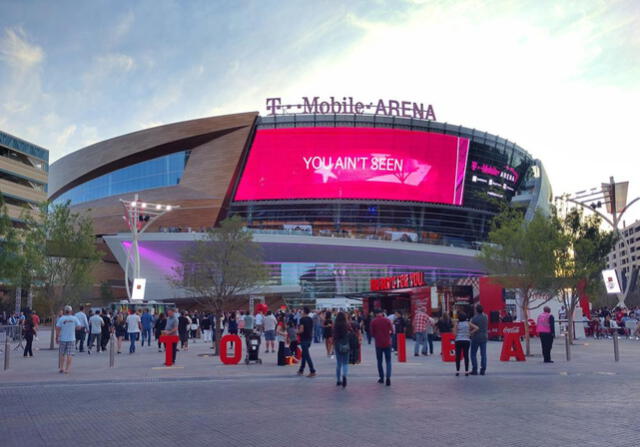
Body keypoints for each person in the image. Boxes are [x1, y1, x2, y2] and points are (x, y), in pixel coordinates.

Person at [370, 309, 393, 386]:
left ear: (375, 314)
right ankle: (388, 377)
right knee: (388, 361)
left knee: (379, 361)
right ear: (382, 313)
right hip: (387, 343)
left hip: (378, 344)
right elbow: (392, 331)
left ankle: (381, 378)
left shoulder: (374, 321)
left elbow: (372, 333)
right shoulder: (387, 320)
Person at [55, 306, 80, 374]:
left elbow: (57, 328)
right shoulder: (74, 318)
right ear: (71, 311)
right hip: (71, 339)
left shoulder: (61, 318)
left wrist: (57, 337)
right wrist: (73, 327)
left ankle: (61, 368)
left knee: (62, 354)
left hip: (63, 338)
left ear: (65, 311)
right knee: (70, 354)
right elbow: (79, 327)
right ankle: (67, 369)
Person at [453, 312, 478, 376]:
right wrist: (470, 333)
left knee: (458, 356)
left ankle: (457, 371)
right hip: (466, 340)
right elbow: (476, 328)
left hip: (458, 340)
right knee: (466, 355)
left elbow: (454, 333)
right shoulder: (468, 323)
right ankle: (466, 371)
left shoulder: (457, 324)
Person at [296, 307, 316, 377]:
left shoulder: (302, 319)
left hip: (304, 339)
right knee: (304, 355)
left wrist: (296, 332)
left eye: (301, 311)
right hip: (309, 339)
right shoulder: (310, 319)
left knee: (306, 355)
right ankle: (301, 370)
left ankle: (312, 370)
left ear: (304, 312)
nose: (300, 312)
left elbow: (301, 330)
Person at [333, 312, 351, 388]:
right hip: (345, 344)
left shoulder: (335, 325)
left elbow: (333, 335)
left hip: (337, 344)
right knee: (345, 362)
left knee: (338, 362)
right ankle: (344, 376)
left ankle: (338, 380)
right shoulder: (346, 325)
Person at [470, 304, 488, 376]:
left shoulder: (474, 318)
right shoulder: (486, 317)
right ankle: (483, 369)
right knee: (483, 354)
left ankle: (475, 369)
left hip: (476, 337)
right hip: (484, 337)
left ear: (476, 310)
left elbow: (471, 328)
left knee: (473, 354)